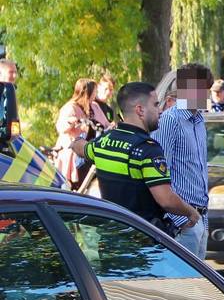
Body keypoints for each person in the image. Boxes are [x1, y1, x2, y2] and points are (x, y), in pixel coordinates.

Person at [67, 82, 200, 233]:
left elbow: (82, 148)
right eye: (156, 105)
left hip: (111, 238)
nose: (160, 111)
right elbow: (166, 199)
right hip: (142, 241)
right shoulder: (148, 149)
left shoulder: (103, 142)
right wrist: (191, 212)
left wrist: (75, 142)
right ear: (140, 110)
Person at [153, 63, 214, 259]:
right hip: (183, 222)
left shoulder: (199, 120)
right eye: (204, 90)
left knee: (197, 286)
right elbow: (160, 173)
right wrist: (179, 219)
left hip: (199, 219)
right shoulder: (170, 120)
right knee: (182, 286)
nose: (207, 96)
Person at [54, 78, 111, 190]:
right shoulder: (70, 107)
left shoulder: (94, 106)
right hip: (73, 151)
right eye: (94, 91)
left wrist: (111, 127)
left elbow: (105, 124)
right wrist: (73, 122)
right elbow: (61, 127)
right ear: (87, 92)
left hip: (90, 149)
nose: (96, 94)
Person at [0, 59, 19, 156]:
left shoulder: (9, 91)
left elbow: (13, 120)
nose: (15, 76)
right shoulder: (6, 91)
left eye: (15, 72)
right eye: (11, 72)